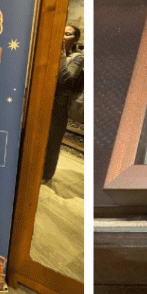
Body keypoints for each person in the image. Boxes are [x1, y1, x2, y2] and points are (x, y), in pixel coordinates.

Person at [42, 24, 84, 182]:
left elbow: (65, 79)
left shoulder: (78, 57)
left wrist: (60, 54)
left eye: (67, 34)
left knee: (52, 142)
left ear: (75, 39)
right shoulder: (48, 54)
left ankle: (46, 175)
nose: (62, 36)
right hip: (43, 102)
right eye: (61, 32)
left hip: (59, 106)